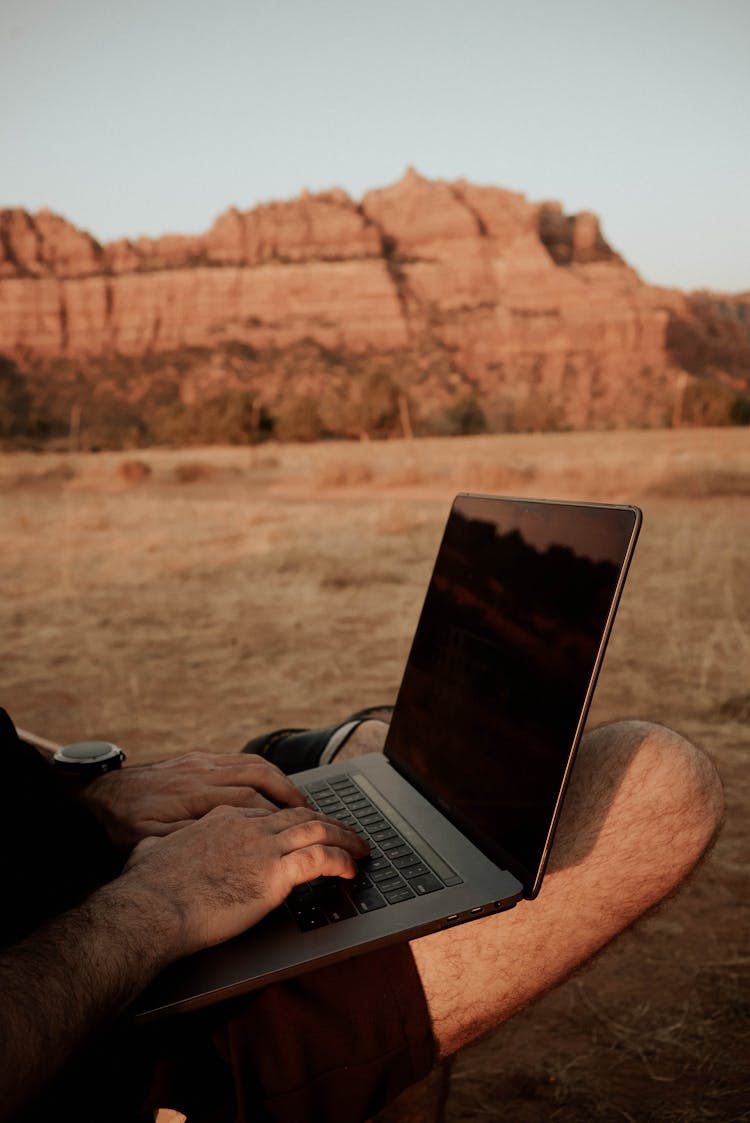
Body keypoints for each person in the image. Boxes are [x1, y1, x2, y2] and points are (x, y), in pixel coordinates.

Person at [0, 704, 723, 1123]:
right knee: (655, 782)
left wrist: (90, 806)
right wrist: (155, 904)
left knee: (376, 745)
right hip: (117, 1044)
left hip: (103, 884)